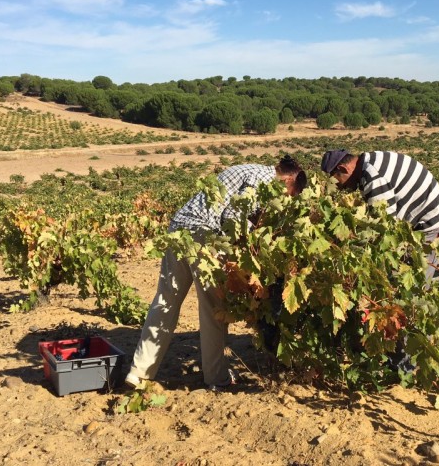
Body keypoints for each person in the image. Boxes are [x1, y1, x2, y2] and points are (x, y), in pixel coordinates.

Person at [126, 156, 307, 391]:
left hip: (178, 231)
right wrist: (257, 241)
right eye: (291, 194)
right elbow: (231, 217)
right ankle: (216, 377)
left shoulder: (249, 169)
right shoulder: (263, 179)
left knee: (165, 301)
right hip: (205, 235)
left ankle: (139, 373)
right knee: (214, 308)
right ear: (288, 180)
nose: (286, 200)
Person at [320, 149, 439, 275]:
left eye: (336, 180)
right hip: (425, 221)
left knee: (416, 280)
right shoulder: (370, 161)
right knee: (415, 273)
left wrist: (355, 245)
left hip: (434, 223)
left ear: (343, 169)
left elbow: (385, 225)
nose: (339, 187)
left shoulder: (373, 176)